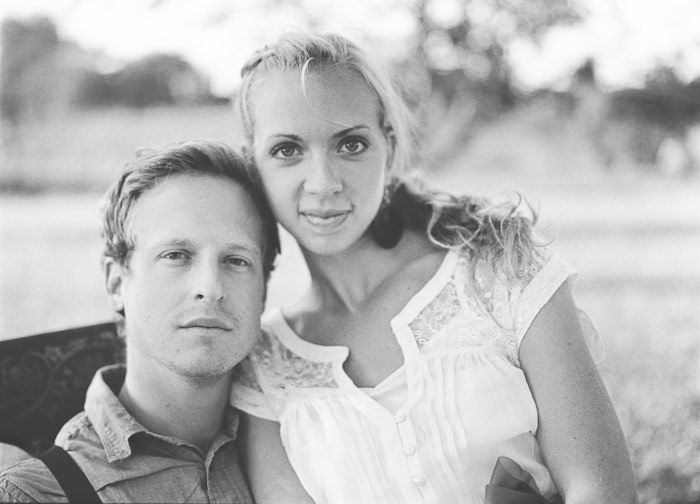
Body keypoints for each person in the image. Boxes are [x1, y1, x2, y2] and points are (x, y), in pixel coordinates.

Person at [228, 32, 639, 503]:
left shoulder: (497, 267)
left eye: (350, 145)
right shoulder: (264, 364)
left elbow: (602, 490)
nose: (323, 183)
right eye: (287, 150)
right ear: (252, 164)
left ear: (388, 144)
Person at [0, 140, 279, 503]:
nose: (210, 288)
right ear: (117, 283)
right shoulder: (41, 492)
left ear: (263, 292)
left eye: (236, 260)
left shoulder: (305, 435)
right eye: (176, 255)